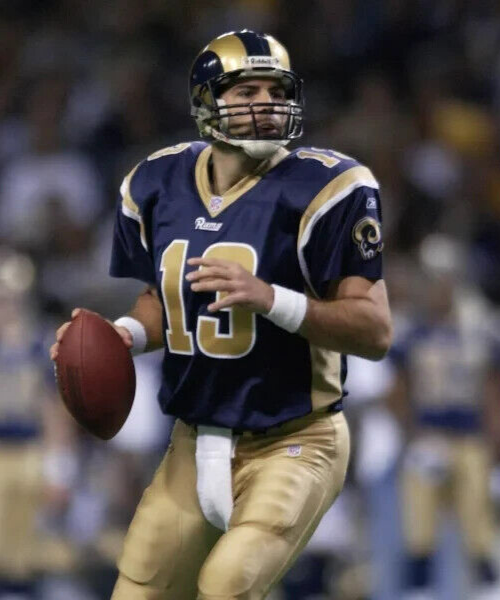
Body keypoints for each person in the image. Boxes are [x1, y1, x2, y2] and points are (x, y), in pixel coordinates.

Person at [50, 30, 392, 600]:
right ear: (206, 101)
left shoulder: (329, 187)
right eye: (247, 91)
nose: (267, 104)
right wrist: (122, 334)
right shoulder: (156, 181)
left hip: (294, 439)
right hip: (191, 442)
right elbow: (164, 300)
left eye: (276, 91)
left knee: (226, 586)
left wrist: (272, 299)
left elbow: (375, 331)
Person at [388, 235, 500, 600]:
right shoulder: (413, 331)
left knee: (478, 521)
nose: (438, 286)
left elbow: (491, 388)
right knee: (419, 525)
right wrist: (413, 435)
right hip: (430, 436)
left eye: (443, 278)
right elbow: (399, 390)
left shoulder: (478, 329)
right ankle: (420, 591)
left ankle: (487, 588)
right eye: (432, 278)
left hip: (469, 436)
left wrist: (493, 438)